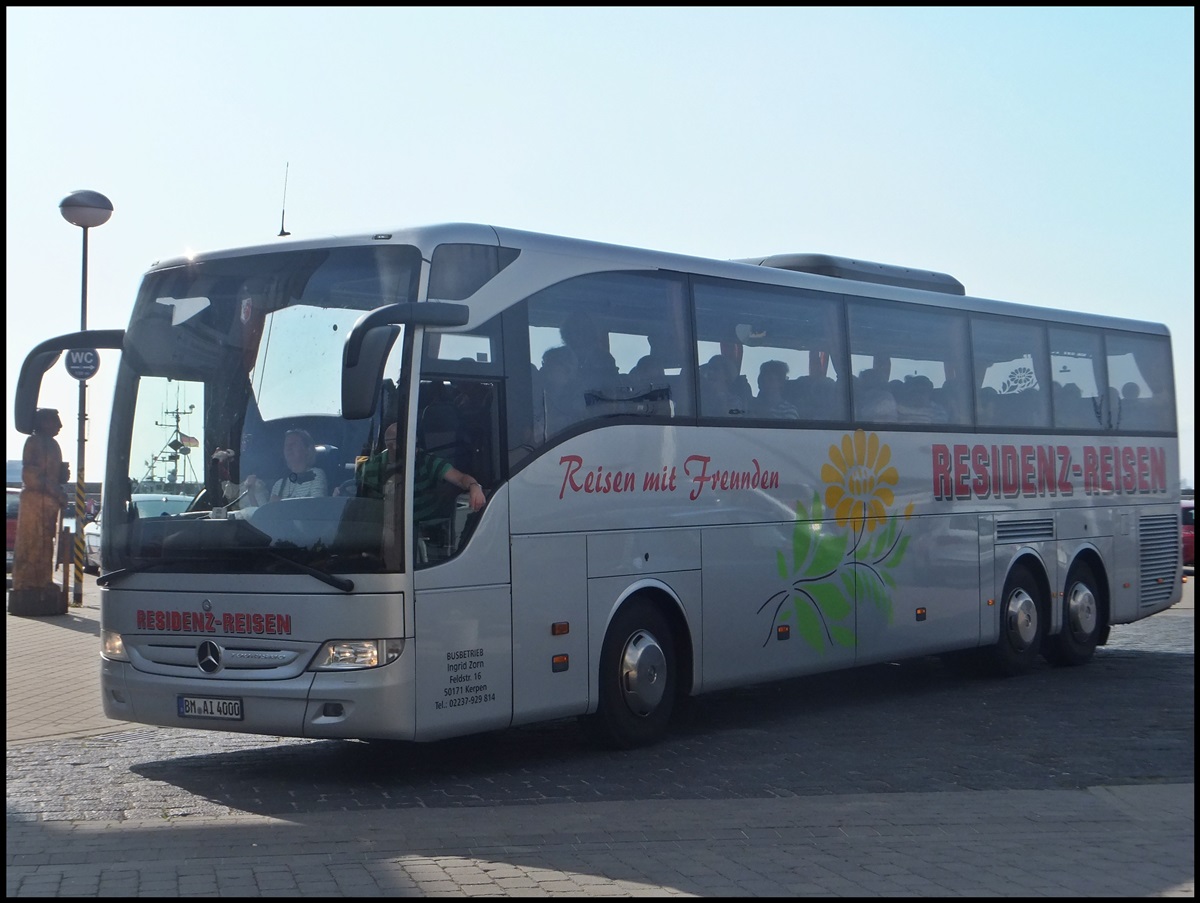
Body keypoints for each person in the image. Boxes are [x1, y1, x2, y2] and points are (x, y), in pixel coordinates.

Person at [358, 422, 486, 523]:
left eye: (413, 442)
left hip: (426, 526)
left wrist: (474, 486)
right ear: (389, 445)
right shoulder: (372, 467)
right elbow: (354, 488)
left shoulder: (427, 461)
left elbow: (460, 478)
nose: (415, 448)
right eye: (408, 442)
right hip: (385, 526)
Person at [9, 408, 67, 615]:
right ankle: (25, 583)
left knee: (46, 542)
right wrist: (54, 489)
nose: (59, 426)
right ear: (43, 422)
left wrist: (61, 477)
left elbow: (51, 474)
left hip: (48, 501)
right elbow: (30, 474)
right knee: (31, 542)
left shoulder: (53, 445)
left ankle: (43, 580)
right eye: (55, 421)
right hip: (35, 500)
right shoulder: (33, 442)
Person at [243, 428, 329, 505]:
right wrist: (251, 492)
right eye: (286, 445)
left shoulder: (316, 475)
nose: (288, 448)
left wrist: (281, 504)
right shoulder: (278, 485)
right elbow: (266, 519)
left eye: (294, 444)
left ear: (308, 450)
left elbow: (316, 508)